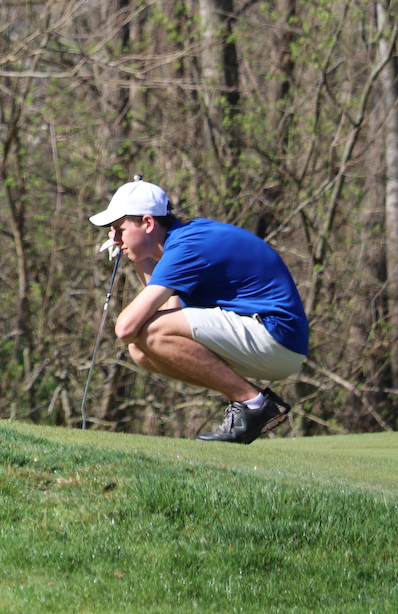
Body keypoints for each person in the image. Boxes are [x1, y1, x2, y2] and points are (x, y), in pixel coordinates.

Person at [90, 178, 308, 443]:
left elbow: (126, 328)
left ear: (147, 223)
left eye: (119, 229)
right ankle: (250, 401)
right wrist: (135, 257)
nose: (114, 238)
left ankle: (252, 402)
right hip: (278, 343)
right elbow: (169, 309)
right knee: (141, 350)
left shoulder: (186, 247)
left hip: (276, 335)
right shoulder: (183, 240)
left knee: (148, 332)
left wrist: (135, 255)